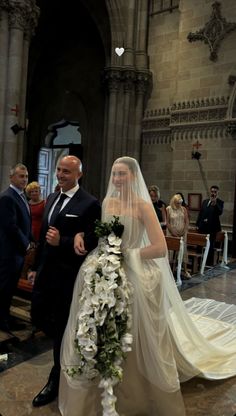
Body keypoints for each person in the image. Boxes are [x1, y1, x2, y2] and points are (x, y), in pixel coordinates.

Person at [59, 158, 236, 416]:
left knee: (131, 329)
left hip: (133, 268)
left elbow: (160, 247)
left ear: (132, 177)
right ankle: (98, 384)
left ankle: (133, 388)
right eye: (114, 174)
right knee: (98, 323)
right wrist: (92, 246)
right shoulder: (108, 202)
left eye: (122, 175)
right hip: (105, 266)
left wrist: (127, 255)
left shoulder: (143, 206)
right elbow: (100, 235)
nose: (117, 179)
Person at [29, 155, 101, 407]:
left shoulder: (90, 203)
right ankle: (69, 356)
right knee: (37, 316)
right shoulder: (51, 198)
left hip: (67, 278)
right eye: (59, 170)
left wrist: (65, 242)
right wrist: (35, 268)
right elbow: (42, 237)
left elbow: (93, 242)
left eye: (66, 172)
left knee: (60, 329)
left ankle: (55, 377)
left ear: (79, 174)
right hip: (44, 275)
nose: (60, 175)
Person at [0, 163, 33, 333]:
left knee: (10, 288)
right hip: (9, 252)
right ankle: (2, 322)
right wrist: (26, 243)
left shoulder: (21, 195)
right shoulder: (7, 197)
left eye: (26, 176)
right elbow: (10, 226)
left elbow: (25, 222)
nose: (25, 179)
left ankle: (7, 318)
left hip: (17, 252)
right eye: (21, 176)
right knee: (4, 288)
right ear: (11, 177)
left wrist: (31, 239)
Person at [196, 185, 224, 265]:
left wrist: (215, 203)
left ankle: (208, 263)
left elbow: (220, 212)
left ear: (217, 193)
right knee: (200, 243)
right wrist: (197, 224)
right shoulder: (205, 201)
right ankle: (199, 261)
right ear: (210, 192)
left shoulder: (220, 202)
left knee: (210, 245)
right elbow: (201, 213)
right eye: (212, 191)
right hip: (202, 227)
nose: (213, 193)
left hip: (212, 228)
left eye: (215, 192)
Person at [166, 193, 191, 279]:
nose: (179, 205)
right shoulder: (169, 209)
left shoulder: (183, 209)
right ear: (174, 202)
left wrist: (185, 230)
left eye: (180, 203)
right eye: (177, 203)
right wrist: (172, 231)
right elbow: (167, 222)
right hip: (172, 233)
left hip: (182, 234)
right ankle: (170, 271)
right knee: (171, 252)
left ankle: (185, 270)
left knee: (183, 250)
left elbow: (187, 220)